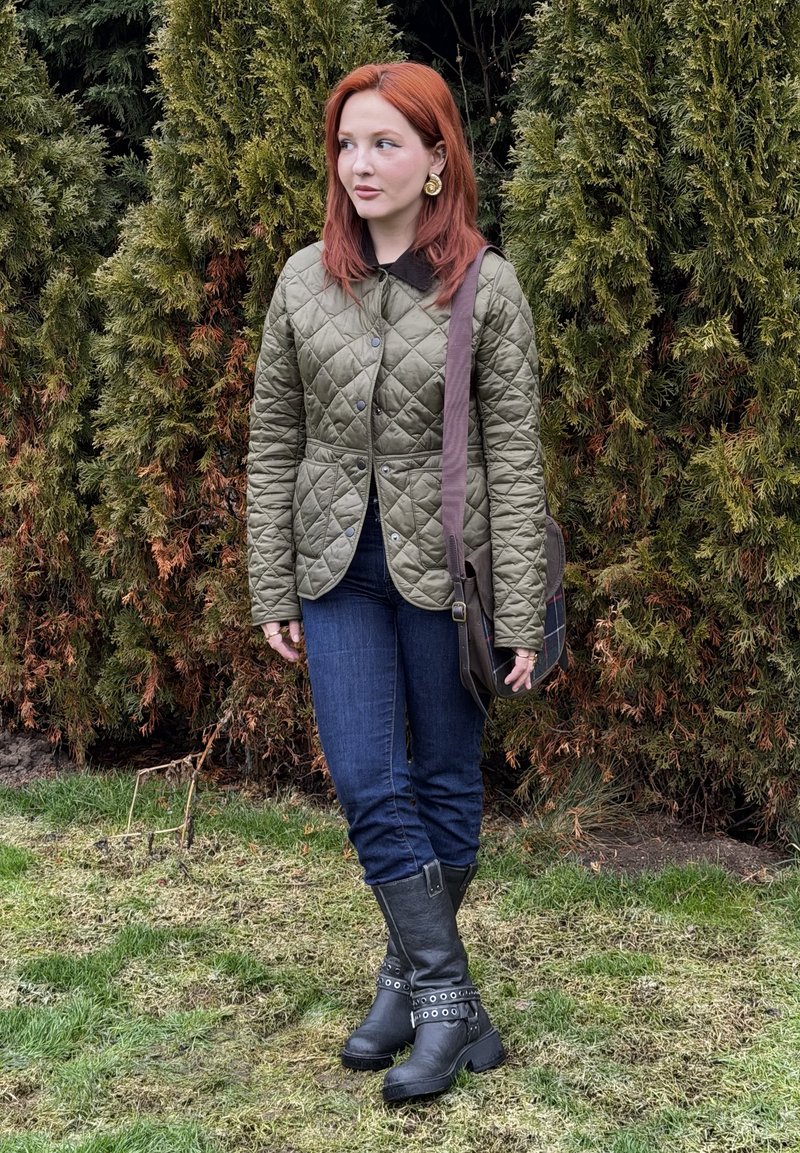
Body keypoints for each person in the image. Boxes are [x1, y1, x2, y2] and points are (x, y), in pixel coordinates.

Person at [247, 61, 547, 1103]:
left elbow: (512, 458)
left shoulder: (482, 285)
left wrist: (518, 613)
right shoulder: (302, 279)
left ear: (434, 161)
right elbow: (272, 437)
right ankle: (449, 997)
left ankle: (403, 979)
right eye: (346, 143)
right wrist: (269, 583)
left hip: (446, 572)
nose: (359, 163)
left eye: (384, 143)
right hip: (337, 567)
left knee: (445, 785)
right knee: (368, 778)